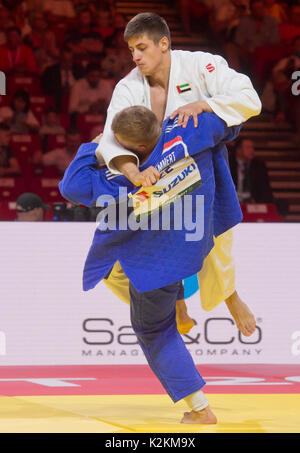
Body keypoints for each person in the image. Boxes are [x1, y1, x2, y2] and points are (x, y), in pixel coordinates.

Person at [59, 105, 245, 424]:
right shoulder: (186, 137)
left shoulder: (119, 178)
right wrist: (202, 106)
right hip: (193, 239)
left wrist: (95, 145)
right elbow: (232, 125)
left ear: (136, 148)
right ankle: (183, 305)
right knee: (116, 271)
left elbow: (71, 186)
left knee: (154, 330)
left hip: (152, 262)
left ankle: (200, 409)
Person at [94, 12, 261, 337]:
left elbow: (249, 98)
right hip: (149, 174)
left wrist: (204, 104)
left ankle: (230, 296)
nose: (135, 56)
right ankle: (168, 303)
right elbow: (112, 136)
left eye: (141, 47)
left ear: (164, 44)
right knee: (109, 263)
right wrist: (131, 171)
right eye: (131, 49)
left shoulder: (201, 66)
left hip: (197, 169)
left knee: (212, 235)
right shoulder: (128, 86)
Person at [229, 137, 274, 203]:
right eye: (248, 148)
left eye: (252, 148)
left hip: (253, 203)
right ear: (238, 150)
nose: (252, 150)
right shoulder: (228, 164)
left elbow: (265, 189)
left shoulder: (258, 166)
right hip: (232, 203)